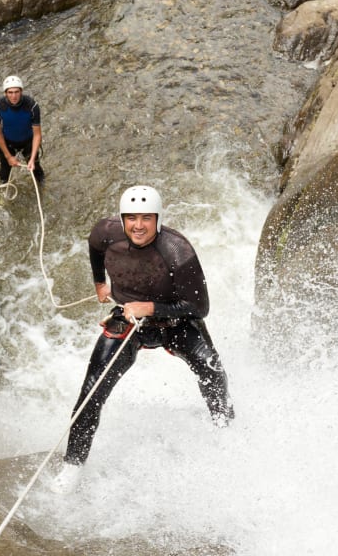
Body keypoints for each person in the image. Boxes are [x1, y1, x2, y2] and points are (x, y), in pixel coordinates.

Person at [53, 185, 234, 492]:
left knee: (212, 370)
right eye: (132, 218)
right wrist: (100, 282)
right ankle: (72, 467)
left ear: (158, 219)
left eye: (146, 218)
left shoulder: (177, 250)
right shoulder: (106, 233)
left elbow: (199, 307)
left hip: (175, 319)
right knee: (91, 392)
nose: (138, 225)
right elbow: (95, 249)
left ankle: (225, 430)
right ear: (122, 219)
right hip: (128, 321)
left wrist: (150, 307)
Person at [0, 75, 44, 184]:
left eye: (16, 92)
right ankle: (3, 188)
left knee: (36, 169)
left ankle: (42, 187)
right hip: (8, 142)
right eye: (10, 92)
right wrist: (8, 156)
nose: (14, 96)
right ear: (5, 93)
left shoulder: (32, 106)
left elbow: (37, 134)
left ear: (21, 91)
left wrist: (32, 159)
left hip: (28, 141)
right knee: (4, 173)